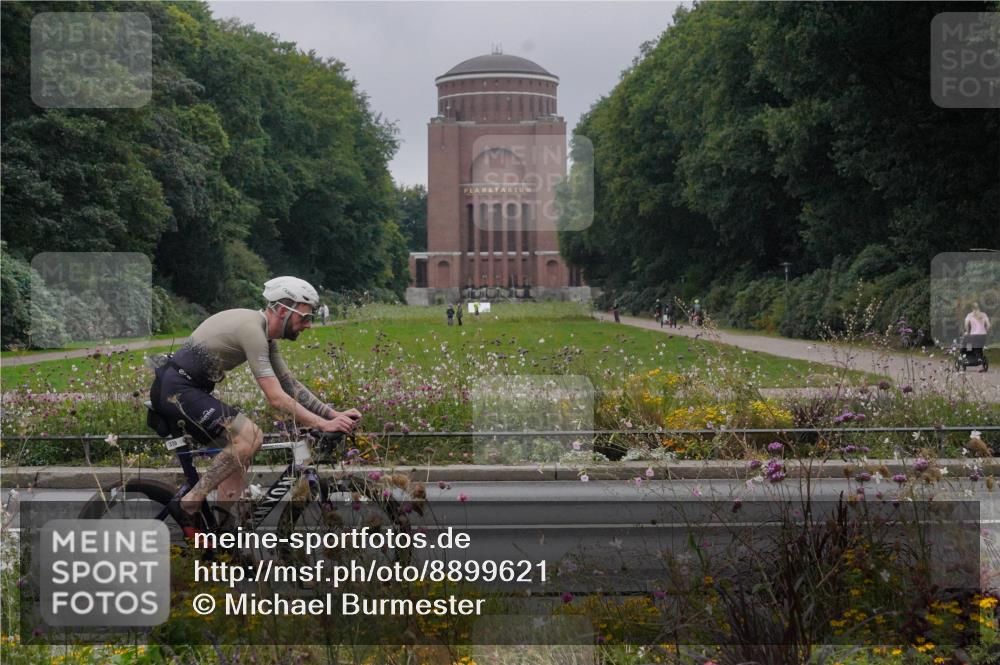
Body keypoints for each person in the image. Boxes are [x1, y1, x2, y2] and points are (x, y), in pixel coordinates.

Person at [148, 276, 361, 523]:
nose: (308, 325)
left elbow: (289, 385)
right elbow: (276, 397)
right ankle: (190, 502)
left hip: (188, 389)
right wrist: (321, 424)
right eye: (304, 317)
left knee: (240, 455)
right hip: (176, 389)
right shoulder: (252, 330)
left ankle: (224, 539)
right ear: (282, 310)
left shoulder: (264, 336)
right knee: (250, 436)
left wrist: (333, 415)